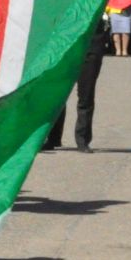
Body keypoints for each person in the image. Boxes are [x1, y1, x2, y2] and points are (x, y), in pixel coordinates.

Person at [43, 9, 108, 152]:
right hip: (66, 46)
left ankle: (82, 139)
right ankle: (53, 138)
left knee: (86, 95)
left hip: (91, 45)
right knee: (57, 95)